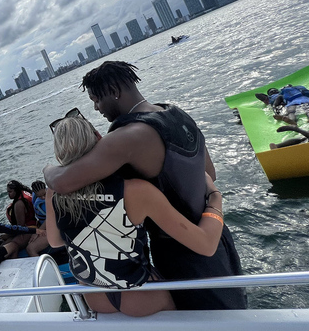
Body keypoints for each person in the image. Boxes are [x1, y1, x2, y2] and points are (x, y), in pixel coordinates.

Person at [43, 61, 246, 310]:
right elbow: (209, 173)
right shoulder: (175, 113)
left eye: (96, 99)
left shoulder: (128, 136)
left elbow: (63, 182)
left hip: (179, 253)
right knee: (231, 314)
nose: (96, 108)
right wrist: (214, 199)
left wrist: (49, 170)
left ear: (114, 91)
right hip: (215, 238)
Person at [45, 113, 225, 316]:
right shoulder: (135, 191)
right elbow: (207, 244)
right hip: (140, 293)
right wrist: (215, 198)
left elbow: (55, 241)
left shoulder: (54, 193)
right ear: (98, 139)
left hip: (94, 296)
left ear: (59, 152)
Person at [3, 180, 37, 254]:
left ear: (16, 191)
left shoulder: (19, 203)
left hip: (29, 229)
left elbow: (20, 227)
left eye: (10, 192)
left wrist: (7, 235)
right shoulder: (25, 193)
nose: (8, 194)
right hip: (34, 225)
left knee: (4, 248)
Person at [26, 181, 50, 256]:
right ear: (35, 194)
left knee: (30, 249)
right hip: (43, 226)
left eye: (44, 194)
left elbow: (50, 218)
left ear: (46, 189)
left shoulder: (50, 200)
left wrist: (38, 232)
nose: (43, 198)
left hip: (53, 227)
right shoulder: (36, 199)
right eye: (40, 196)